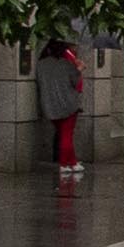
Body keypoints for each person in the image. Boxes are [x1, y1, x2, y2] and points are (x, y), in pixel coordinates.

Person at [32, 36, 86, 176]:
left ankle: (72, 162)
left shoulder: (41, 64)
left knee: (63, 134)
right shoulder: (66, 64)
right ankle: (64, 164)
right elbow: (74, 81)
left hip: (49, 105)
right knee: (67, 135)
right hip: (68, 104)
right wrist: (79, 69)